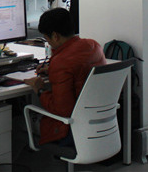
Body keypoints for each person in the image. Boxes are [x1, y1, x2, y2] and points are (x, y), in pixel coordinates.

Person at [23, 8, 106, 146]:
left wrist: (40, 90)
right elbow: (78, 69)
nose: (49, 43)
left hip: (71, 130)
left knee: (20, 121)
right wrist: (53, 70)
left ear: (55, 36)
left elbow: (62, 111)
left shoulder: (61, 62)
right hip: (101, 124)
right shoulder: (94, 46)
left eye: (47, 39)